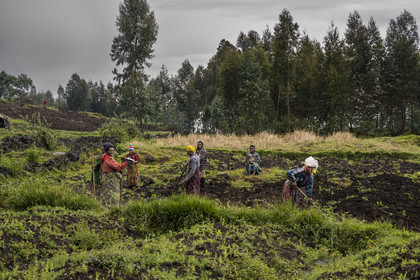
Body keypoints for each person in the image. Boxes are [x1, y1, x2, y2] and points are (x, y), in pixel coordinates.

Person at [100, 142, 131, 207]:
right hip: (111, 179)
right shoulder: (108, 158)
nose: (112, 152)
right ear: (106, 151)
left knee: (108, 193)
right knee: (112, 194)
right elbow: (118, 167)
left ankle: (109, 207)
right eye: (110, 151)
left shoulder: (105, 158)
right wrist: (126, 163)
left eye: (113, 151)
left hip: (107, 178)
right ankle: (113, 208)